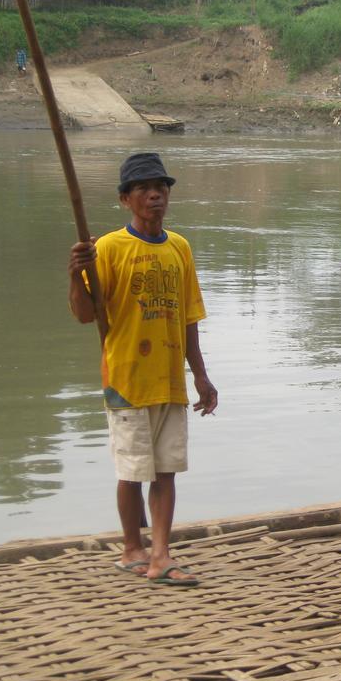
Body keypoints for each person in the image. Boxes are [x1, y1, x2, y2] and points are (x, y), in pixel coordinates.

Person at [68, 152, 218, 586]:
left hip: (169, 380)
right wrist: (75, 273)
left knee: (166, 469)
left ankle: (160, 553)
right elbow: (85, 313)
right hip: (127, 380)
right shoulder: (109, 248)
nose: (156, 196)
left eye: (162, 188)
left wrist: (201, 376)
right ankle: (132, 546)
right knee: (132, 471)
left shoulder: (179, 248)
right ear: (125, 200)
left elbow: (189, 317)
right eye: (144, 190)